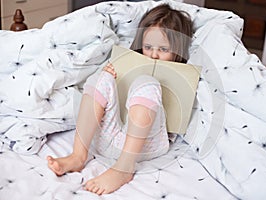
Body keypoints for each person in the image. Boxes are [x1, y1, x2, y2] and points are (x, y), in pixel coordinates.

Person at [47, 3, 193, 195]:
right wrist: (108, 74)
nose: (154, 54)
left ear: (177, 51)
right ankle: (78, 155)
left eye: (163, 49)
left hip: (148, 145)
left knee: (146, 83)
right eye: (148, 47)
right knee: (101, 77)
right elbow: (101, 90)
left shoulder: (181, 75)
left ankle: (124, 168)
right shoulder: (128, 61)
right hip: (108, 140)